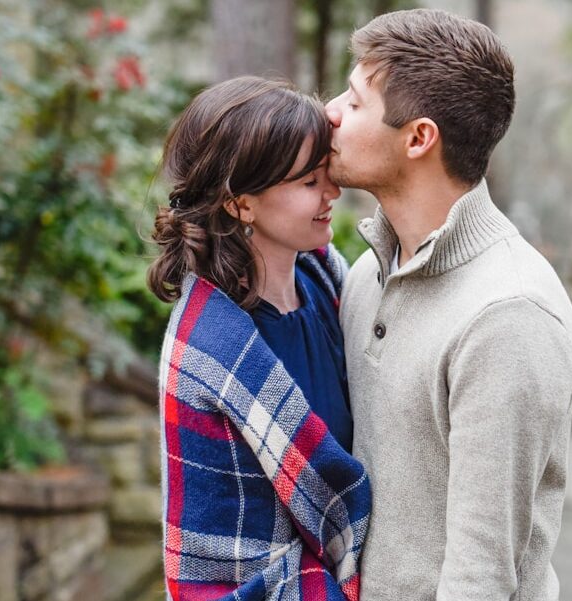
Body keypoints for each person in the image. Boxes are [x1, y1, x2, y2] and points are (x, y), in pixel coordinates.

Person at [325, 9, 572, 601]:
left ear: (418, 138)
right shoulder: (369, 271)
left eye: (357, 102)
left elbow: (481, 578)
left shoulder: (508, 315)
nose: (331, 111)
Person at [147, 76, 371, 601]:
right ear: (241, 204)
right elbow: (219, 563)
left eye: (327, 172)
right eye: (309, 181)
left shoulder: (329, 282)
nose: (333, 193)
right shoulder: (208, 351)